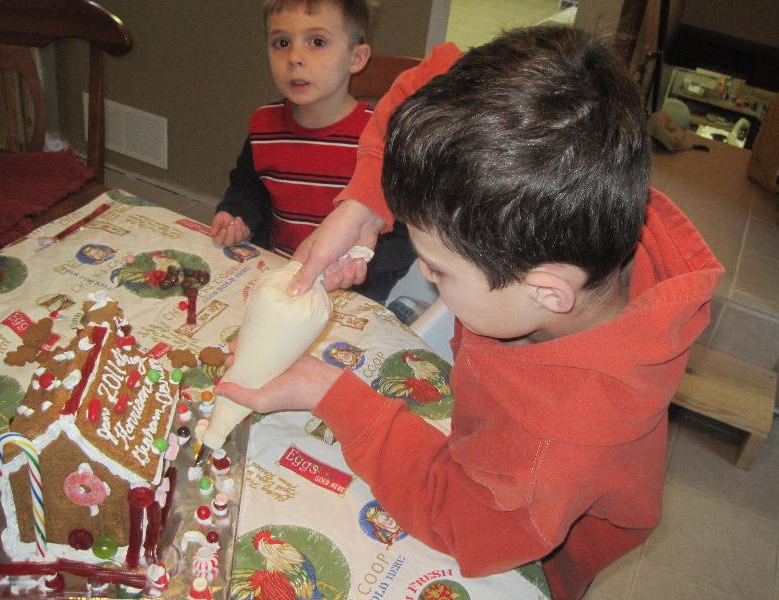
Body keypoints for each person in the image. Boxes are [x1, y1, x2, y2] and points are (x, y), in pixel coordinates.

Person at [217, 26, 723, 600]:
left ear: (546, 292)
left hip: (522, 542)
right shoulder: (569, 225)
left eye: (438, 269)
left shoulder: (554, 447)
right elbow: (431, 80)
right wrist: (362, 205)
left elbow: (455, 514)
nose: (424, 273)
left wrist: (330, 393)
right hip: (489, 442)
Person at [211, 0, 415, 303]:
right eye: (282, 43)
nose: (294, 57)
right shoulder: (264, 125)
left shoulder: (380, 141)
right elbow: (248, 187)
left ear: (356, 58)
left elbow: (404, 232)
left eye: (317, 42)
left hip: (349, 292)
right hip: (279, 272)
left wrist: (359, 264)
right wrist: (237, 215)